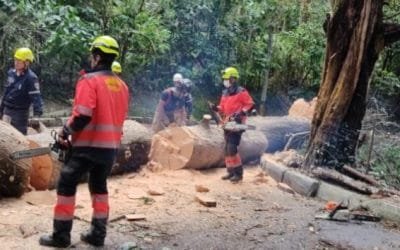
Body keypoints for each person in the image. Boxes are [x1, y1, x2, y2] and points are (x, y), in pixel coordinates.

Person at [39, 35, 129, 248]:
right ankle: (98, 234)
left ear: (97, 57)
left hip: (88, 146)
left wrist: (65, 131)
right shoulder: (121, 85)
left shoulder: (89, 81)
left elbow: (83, 115)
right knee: (99, 187)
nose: (91, 60)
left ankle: (61, 236)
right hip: (110, 148)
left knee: (66, 182)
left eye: (92, 56)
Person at [210, 66, 254, 183]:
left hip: (237, 124)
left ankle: (238, 173)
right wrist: (216, 108)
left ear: (233, 79)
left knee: (232, 148)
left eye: (226, 79)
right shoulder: (225, 92)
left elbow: (250, 104)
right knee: (226, 149)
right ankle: (230, 172)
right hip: (227, 122)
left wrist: (241, 112)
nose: (225, 81)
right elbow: (222, 108)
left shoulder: (241, 91)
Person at [0, 47, 43, 135]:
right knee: (5, 136)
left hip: (20, 113)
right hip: (7, 110)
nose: (16, 62)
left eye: (19, 61)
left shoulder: (31, 78)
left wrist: (36, 115)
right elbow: (6, 92)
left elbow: (36, 97)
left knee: (19, 138)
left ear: (26, 62)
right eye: (15, 60)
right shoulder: (11, 73)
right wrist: (1, 109)